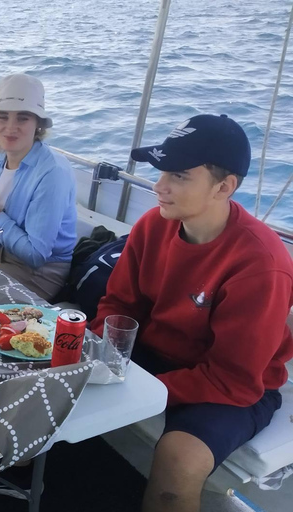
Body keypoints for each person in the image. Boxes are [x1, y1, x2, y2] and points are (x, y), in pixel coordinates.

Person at [91, 114, 293, 512]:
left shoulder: (260, 264)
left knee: (178, 463)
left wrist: (141, 388)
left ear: (224, 187)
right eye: (162, 171)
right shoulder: (153, 225)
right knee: (53, 358)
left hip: (233, 388)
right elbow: (117, 307)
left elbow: (234, 379)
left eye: (180, 176)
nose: (159, 186)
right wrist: (108, 359)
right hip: (154, 356)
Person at [0, 74, 77, 301]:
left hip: (39, 274)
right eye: (3, 117)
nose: (10, 127)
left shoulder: (52, 173)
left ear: (38, 126)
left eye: (22, 118)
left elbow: (36, 256)